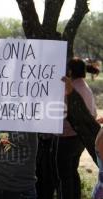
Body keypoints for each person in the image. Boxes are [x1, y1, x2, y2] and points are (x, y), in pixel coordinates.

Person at [57, 58, 99, 199]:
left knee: (64, 175)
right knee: (72, 171)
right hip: (80, 139)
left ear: (70, 71)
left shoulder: (69, 89)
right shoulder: (86, 87)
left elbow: (59, 112)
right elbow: (93, 113)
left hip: (67, 137)